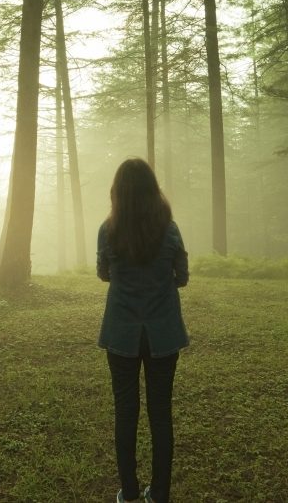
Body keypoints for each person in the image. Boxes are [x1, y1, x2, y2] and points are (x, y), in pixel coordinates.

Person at [97, 158, 189, 503]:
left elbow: (103, 273)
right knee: (161, 412)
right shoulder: (171, 229)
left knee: (125, 411)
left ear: (117, 193)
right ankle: (160, 494)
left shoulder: (108, 230)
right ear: (153, 190)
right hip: (163, 334)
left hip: (121, 333)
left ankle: (130, 492)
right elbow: (182, 276)